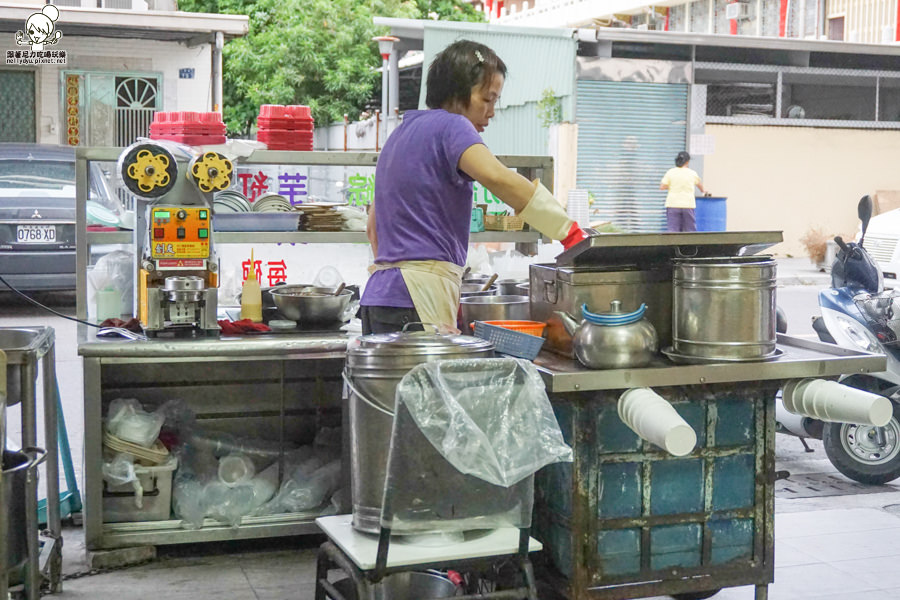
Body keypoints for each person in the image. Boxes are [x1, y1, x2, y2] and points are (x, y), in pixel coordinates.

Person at [360, 39, 586, 335]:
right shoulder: (453, 126)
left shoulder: (400, 135)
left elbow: (373, 229)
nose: (491, 112)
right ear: (457, 93)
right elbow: (497, 177)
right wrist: (567, 231)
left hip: (378, 298)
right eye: (487, 99)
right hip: (416, 299)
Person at [659, 151, 709, 232]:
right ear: (687, 161)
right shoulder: (692, 173)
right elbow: (699, 185)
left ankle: (673, 244)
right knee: (689, 230)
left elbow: (662, 187)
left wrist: (672, 186)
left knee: (673, 230)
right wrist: (703, 191)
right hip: (688, 204)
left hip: (673, 204)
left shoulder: (671, 172)